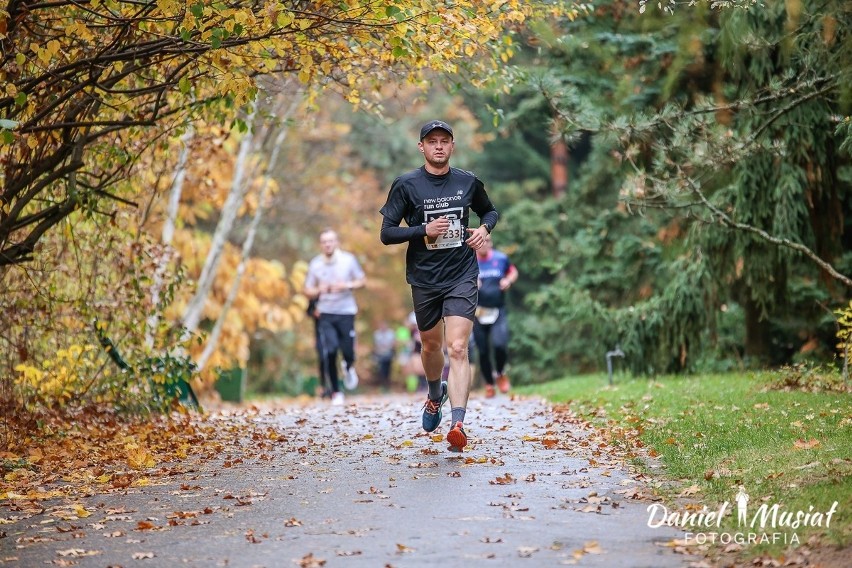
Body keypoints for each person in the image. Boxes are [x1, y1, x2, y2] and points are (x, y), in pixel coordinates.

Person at [379, 119, 498, 451]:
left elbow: (490, 212)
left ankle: (458, 423)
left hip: (461, 274)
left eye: (445, 140)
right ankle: (435, 396)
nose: (439, 146)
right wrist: (422, 231)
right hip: (424, 279)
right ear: (422, 147)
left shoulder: (467, 182)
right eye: (432, 141)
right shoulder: (406, 185)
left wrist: (483, 230)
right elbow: (387, 233)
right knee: (431, 347)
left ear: (452, 145)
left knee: (458, 348)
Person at [303, 228, 366, 406]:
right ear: (320, 245)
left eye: (330, 241)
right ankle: (336, 392)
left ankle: (348, 364)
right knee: (329, 351)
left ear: (336, 242)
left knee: (348, 351)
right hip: (326, 314)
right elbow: (307, 290)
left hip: (346, 312)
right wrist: (318, 290)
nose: (327, 244)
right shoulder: (315, 264)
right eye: (324, 242)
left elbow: (362, 281)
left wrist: (346, 285)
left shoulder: (348, 260)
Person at [473, 234, 518, 397]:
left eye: (487, 242)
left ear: (491, 243)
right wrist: (471, 282)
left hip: (498, 309)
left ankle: (500, 373)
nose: (484, 245)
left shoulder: (501, 258)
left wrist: (508, 280)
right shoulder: (470, 260)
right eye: (481, 242)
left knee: (500, 344)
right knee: (483, 350)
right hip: (477, 312)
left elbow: (513, 271)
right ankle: (489, 384)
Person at [372, 320, 397, 392]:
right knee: (381, 370)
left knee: (388, 370)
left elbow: (394, 343)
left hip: (388, 354)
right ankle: (383, 385)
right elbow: (374, 345)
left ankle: (387, 385)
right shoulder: (377, 334)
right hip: (380, 355)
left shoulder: (391, 333)